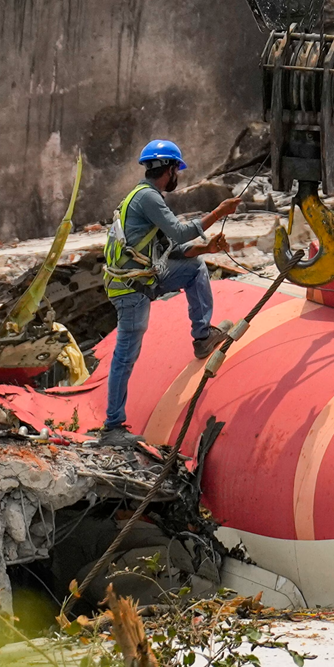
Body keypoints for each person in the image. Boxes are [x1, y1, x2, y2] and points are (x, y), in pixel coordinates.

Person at [97, 139, 242, 447]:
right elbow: (179, 232)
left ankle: (202, 337)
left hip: (141, 280)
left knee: (195, 268)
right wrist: (219, 212)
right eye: (178, 169)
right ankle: (112, 426)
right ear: (170, 169)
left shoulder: (144, 198)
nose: (178, 175)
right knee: (125, 356)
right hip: (132, 288)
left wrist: (205, 248)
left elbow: (172, 249)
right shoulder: (148, 197)